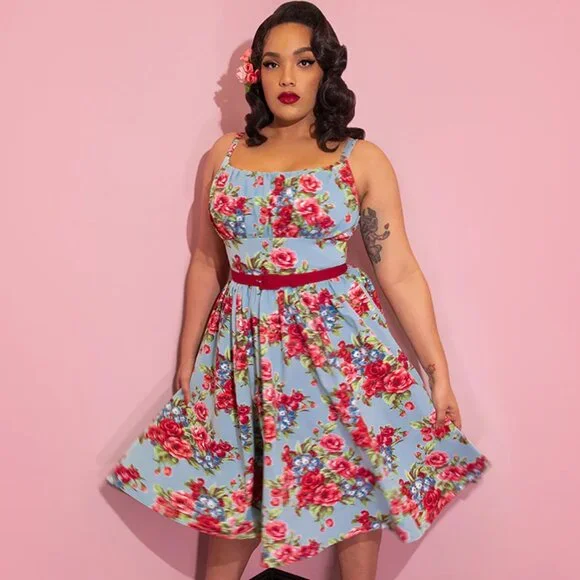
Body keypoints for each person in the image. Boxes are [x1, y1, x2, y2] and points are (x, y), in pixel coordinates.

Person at [105, 2, 491, 579]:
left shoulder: (361, 159)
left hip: (340, 350)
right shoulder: (224, 155)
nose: (287, 77)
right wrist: (186, 362)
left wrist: (438, 371)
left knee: (355, 490)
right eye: (272, 63)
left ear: (325, 70)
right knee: (234, 499)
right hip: (241, 350)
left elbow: (399, 270)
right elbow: (206, 262)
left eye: (304, 61)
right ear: (256, 74)